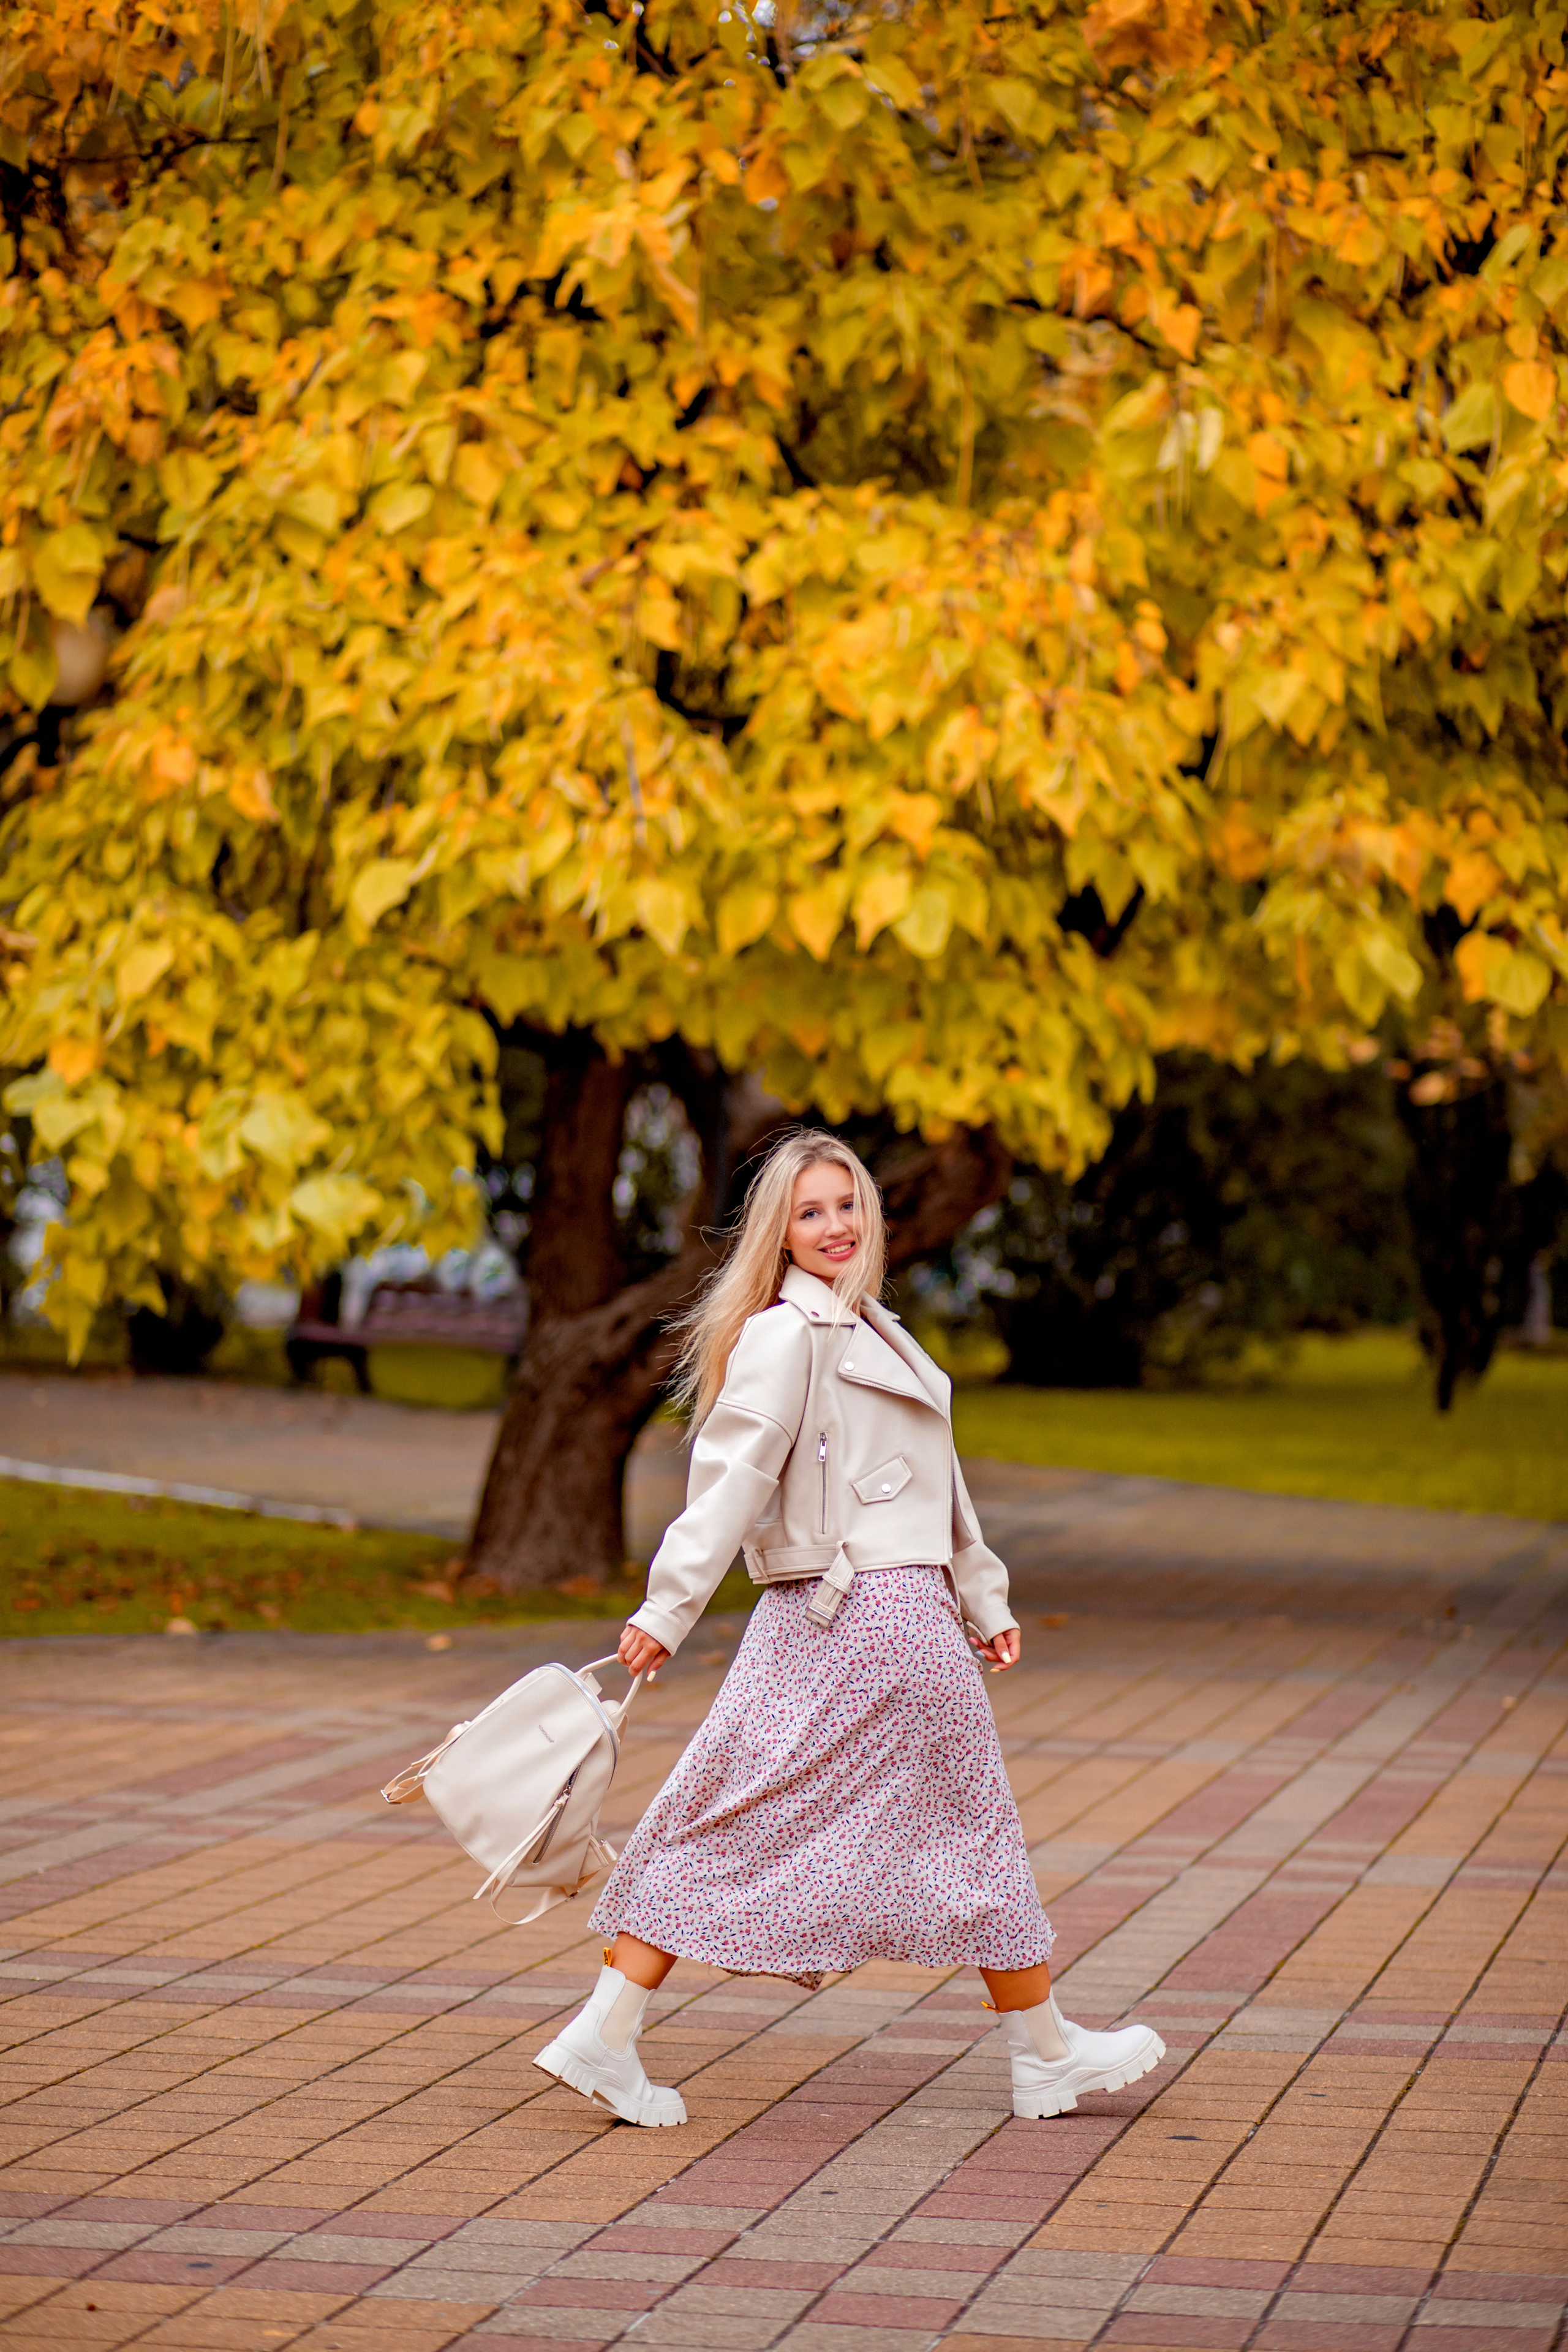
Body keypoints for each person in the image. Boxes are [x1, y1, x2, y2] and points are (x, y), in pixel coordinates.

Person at [535, 1132, 1165, 2127]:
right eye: (810, 1212)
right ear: (779, 1234)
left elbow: (933, 1480)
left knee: (735, 1809)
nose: (835, 1226)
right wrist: (667, 1609)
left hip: (866, 1611)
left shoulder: (869, 1325)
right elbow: (730, 1481)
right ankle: (1045, 2055)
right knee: (957, 1826)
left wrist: (983, 1595)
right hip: (871, 1612)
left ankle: (606, 2031)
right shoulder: (794, 1335)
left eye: (847, 1204)